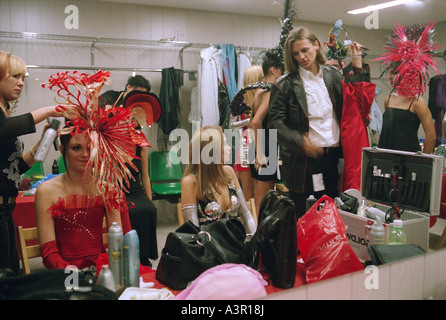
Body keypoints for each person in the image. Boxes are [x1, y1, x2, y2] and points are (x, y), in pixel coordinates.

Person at [268, 27, 371, 219]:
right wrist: (301, 141)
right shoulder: (285, 84)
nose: (301, 57)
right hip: (304, 164)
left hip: (332, 160)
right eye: (296, 53)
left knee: (330, 216)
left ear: (316, 45)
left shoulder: (333, 76)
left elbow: (354, 102)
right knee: (305, 218)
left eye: (305, 50)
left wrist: (357, 64)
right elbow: (275, 124)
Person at [0, 51, 67, 274]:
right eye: (15, 77)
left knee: (10, 275)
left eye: (23, 78)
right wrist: (50, 109)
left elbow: (16, 168)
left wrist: (43, 141)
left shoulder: (5, 112)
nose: (20, 84)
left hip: (6, 209)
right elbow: (3, 129)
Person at [35, 129, 126, 269]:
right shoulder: (46, 191)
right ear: (62, 150)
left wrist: (114, 269)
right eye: (76, 148)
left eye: (90, 149)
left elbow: (118, 245)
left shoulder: (108, 189)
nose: (85, 155)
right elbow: (49, 253)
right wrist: (72, 274)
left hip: (100, 269)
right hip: (63, 272)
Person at [180, 126, 256, 236]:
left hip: (237, 243)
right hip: (209, 248)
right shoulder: (191, 182)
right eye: (225, 144)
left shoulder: (229, 172)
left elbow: (246, 214)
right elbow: (192, 233)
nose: (229, 147)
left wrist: (254, 243)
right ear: (212, 151)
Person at [375, 23, 438, 155]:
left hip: (408, 159)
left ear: (405, 73)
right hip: (385, 155)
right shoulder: (389, 99)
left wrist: (424, 161)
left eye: (394, 73)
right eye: (390, 73)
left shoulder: (416, 102)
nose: (390, 77)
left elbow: (431, 136)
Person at [121, 90, 162, 267]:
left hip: (135, 189)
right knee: (131, 211)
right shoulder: (115, 144)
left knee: (148, 209)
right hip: (118, 189)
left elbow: (145, 176)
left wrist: (149, 199)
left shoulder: (141, 147)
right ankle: (129, 255)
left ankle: (144, 255)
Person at [250, 49, 283, 215]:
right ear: (274, 70)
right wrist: (261, 153)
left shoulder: (259, 90)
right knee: (264, 202)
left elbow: (252, 121)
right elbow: (256, 122)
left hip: (259, 145)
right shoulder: (270, 91)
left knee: (259, 199)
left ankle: (258, 235)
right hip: (266, 147)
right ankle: (260, 238)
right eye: (282, 70)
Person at [229, 65, 263, 201]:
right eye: (260, 77)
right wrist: (248, 121)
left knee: (262, 190)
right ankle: (249, 221)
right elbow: (231, 124)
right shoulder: (240, 101)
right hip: (246, 144)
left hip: (263, 143)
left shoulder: (264, 98)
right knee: (247, 193)